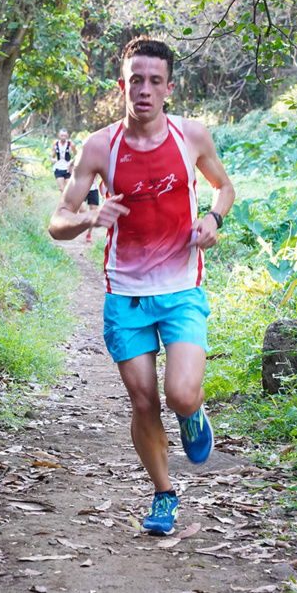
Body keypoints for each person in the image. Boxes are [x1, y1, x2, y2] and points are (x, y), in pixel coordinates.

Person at [48, 36, 235, 536]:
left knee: (181, 394)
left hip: (180, 288)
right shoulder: (99, 146)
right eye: (136, 80)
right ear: (122, 85)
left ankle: (192, 415)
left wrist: (213, 219)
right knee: (143, 401)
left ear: (169, 88)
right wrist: (89, 218)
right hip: (126, 294)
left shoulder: (191, 136)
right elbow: (57, 221)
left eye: (155, 81)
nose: (145, 90)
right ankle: (164, 494)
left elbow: (224, 187)